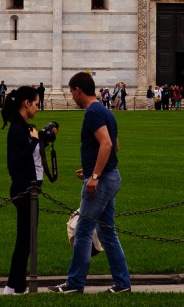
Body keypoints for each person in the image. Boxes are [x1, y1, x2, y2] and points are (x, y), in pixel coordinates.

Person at [49, 71, 130, 294]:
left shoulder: (92, 113)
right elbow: (116, 146)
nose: (71, 96)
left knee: (83, 232)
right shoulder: (106, 111)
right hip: (111, 176)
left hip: (102, 180)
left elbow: (106, 145)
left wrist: (94, 176)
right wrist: (90, 168)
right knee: (106, 233)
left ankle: (74, 284)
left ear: (78, 90)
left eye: (71, 92)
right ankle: (122, 283)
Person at [2, 85, 51, 295]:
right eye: (36, 104)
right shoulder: (17, 129)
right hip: (24, 190)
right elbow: (16, 161)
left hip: (28, 190)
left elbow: (29, 157)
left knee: (26, 240)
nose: (38, 108)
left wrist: (40, 142)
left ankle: (15, 286)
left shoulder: (24, 127)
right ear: (26, 103)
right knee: (24, 241)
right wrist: (34, 142)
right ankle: (13, 286)